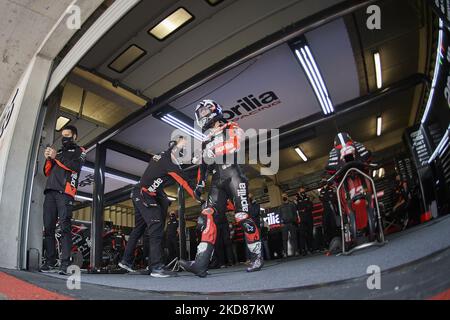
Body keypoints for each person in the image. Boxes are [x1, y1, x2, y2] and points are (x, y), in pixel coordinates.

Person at [179, 99, 263, 277]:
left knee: (242, 215)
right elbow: (203, 166)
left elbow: (235, 143)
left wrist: (212, 151)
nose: (202, 115)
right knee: (207, 216)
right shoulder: (206, 139)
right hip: (217, 180)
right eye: (199, 113)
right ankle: (201, 264)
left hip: (234, 176)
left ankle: (256, 257)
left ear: (214, 110)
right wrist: (199, 185)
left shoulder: (231, 126)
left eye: (204, 111)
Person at [118, 136, 201, 278]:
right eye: (182, 146)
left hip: (140, 193)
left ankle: (127, 261)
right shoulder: (168, 160)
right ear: (174, 147)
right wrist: (198, 197)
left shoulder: (164, 157)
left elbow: (177, 169)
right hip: (144, 194)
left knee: (139, 228)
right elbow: (184, 180)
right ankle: (156, 267)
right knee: (156, 226)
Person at [41, 125, 86, 275]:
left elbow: (75, 167)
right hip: (50, 192)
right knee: (48, 229)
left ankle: (66, 263)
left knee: (65, 228)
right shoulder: (59, 152)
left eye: (67, 135)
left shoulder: (80, 151)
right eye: (63, 135)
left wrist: (55, 157)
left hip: (65, 192)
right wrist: (48, 158)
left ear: (74, 136)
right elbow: (47, 172)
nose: (64, 137)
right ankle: (50, 260)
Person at [319, 178, 339, 246]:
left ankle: (337, 240)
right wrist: (328, 198)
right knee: (326, 226)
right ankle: (329, 242)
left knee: (334, 225)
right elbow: (322, 199)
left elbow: (333, 198)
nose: (323, 183)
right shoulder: (321, 191)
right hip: (326, 210)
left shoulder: (331, 188)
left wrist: (327, 198)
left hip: (332, 209)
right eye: (322, 182)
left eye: (324, 181)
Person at [278, 193, 299, 257]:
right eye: (282, 196)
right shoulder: (280, 207)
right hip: (284, 225)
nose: (284, 197)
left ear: (287, 196)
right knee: (284, 239)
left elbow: (295, 214)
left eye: (285, 196)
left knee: (294, 238)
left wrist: (294, 221)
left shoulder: (292, 205)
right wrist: (281, 223)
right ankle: (285, 253)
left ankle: (296, 251)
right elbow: (280, 216)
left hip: (292, 223)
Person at [296, 186, 313, 255]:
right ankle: (303, 249)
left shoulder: (307, 197)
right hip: (302, 218)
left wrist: (305, 208)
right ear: (299, 191)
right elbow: (297, 208)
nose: (303, 191)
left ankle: (311, 248)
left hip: (309, 217)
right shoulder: (297, 199)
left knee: (310, 233)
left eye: (304, 190)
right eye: (301, 190)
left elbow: (311, 205)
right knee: (302, 234)